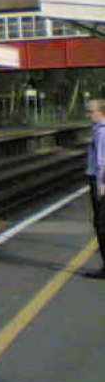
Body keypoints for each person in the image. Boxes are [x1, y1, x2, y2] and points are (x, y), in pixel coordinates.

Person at [87, 98, 105, 278]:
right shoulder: (98, 129)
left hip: (99, 182)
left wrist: (102, 185)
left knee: (101, 224)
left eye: (91, 111)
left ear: (101, 112)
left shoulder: (102, 131)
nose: (89, 114)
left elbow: (102, 162)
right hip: (98, 180)